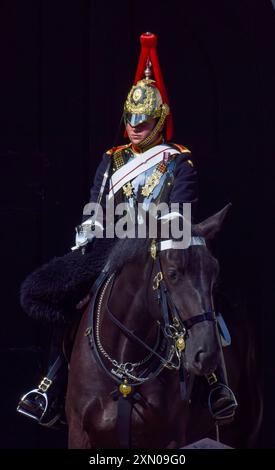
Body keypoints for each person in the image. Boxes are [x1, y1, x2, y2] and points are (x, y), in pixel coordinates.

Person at [17, 32, 236, 428]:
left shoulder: (179, 163)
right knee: (70, 297)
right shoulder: (112, 159)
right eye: (131, 119)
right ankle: (50, 384)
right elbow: (97, 203)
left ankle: (216, 384)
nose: (136, 127)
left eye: (145, 120)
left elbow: (180, 212)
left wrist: (146, 231)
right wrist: (90, 230)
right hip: (111, 247)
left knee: (194, 293)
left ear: (159, 120)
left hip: (162, 246)